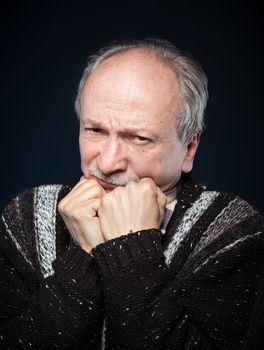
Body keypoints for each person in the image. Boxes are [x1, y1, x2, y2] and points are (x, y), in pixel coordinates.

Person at [0, 38, 264, 350]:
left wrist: (133, 252)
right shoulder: (27, 215)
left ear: (189, 148)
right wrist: (83, 255)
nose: (108, 162)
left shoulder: (229, 231)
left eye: (139, 138)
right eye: (95, 130)